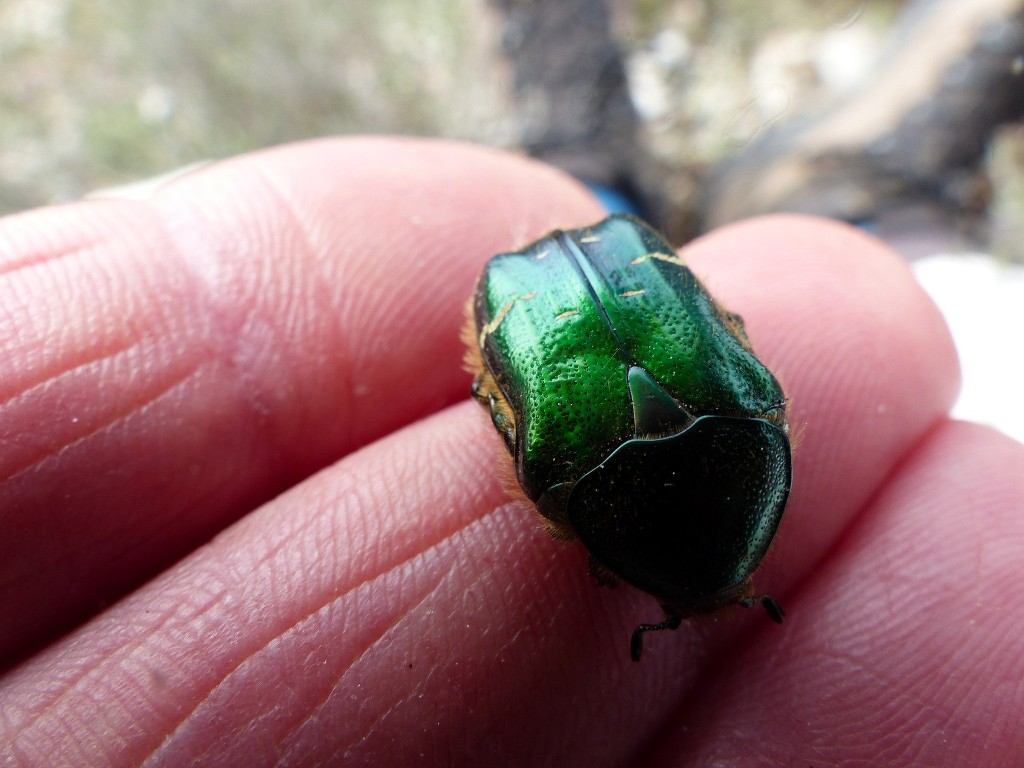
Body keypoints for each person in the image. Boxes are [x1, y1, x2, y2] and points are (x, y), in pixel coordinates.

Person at [0, 138, 1020, 766]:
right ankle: (590, 162)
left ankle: (587, 162)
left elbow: (727, 350)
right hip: (578, 286)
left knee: (595, 197)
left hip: (582, 280)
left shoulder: (741, 443)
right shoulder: (725, 463)